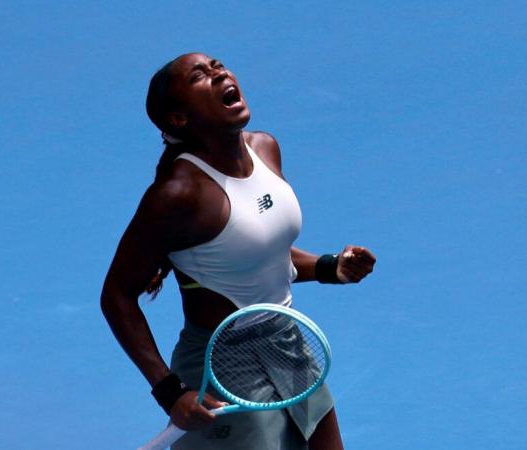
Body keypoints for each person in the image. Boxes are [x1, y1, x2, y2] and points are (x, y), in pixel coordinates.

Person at [100, 52, 376, 450]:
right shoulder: (178, 195)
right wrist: (169, 391)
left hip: (287, 346)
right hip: (222, 367)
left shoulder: (265, 149)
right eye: (200, 75)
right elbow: (117, 296)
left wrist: (331, 266)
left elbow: (260, 253)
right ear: (179, 118)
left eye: (217, 66)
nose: (219, 74)